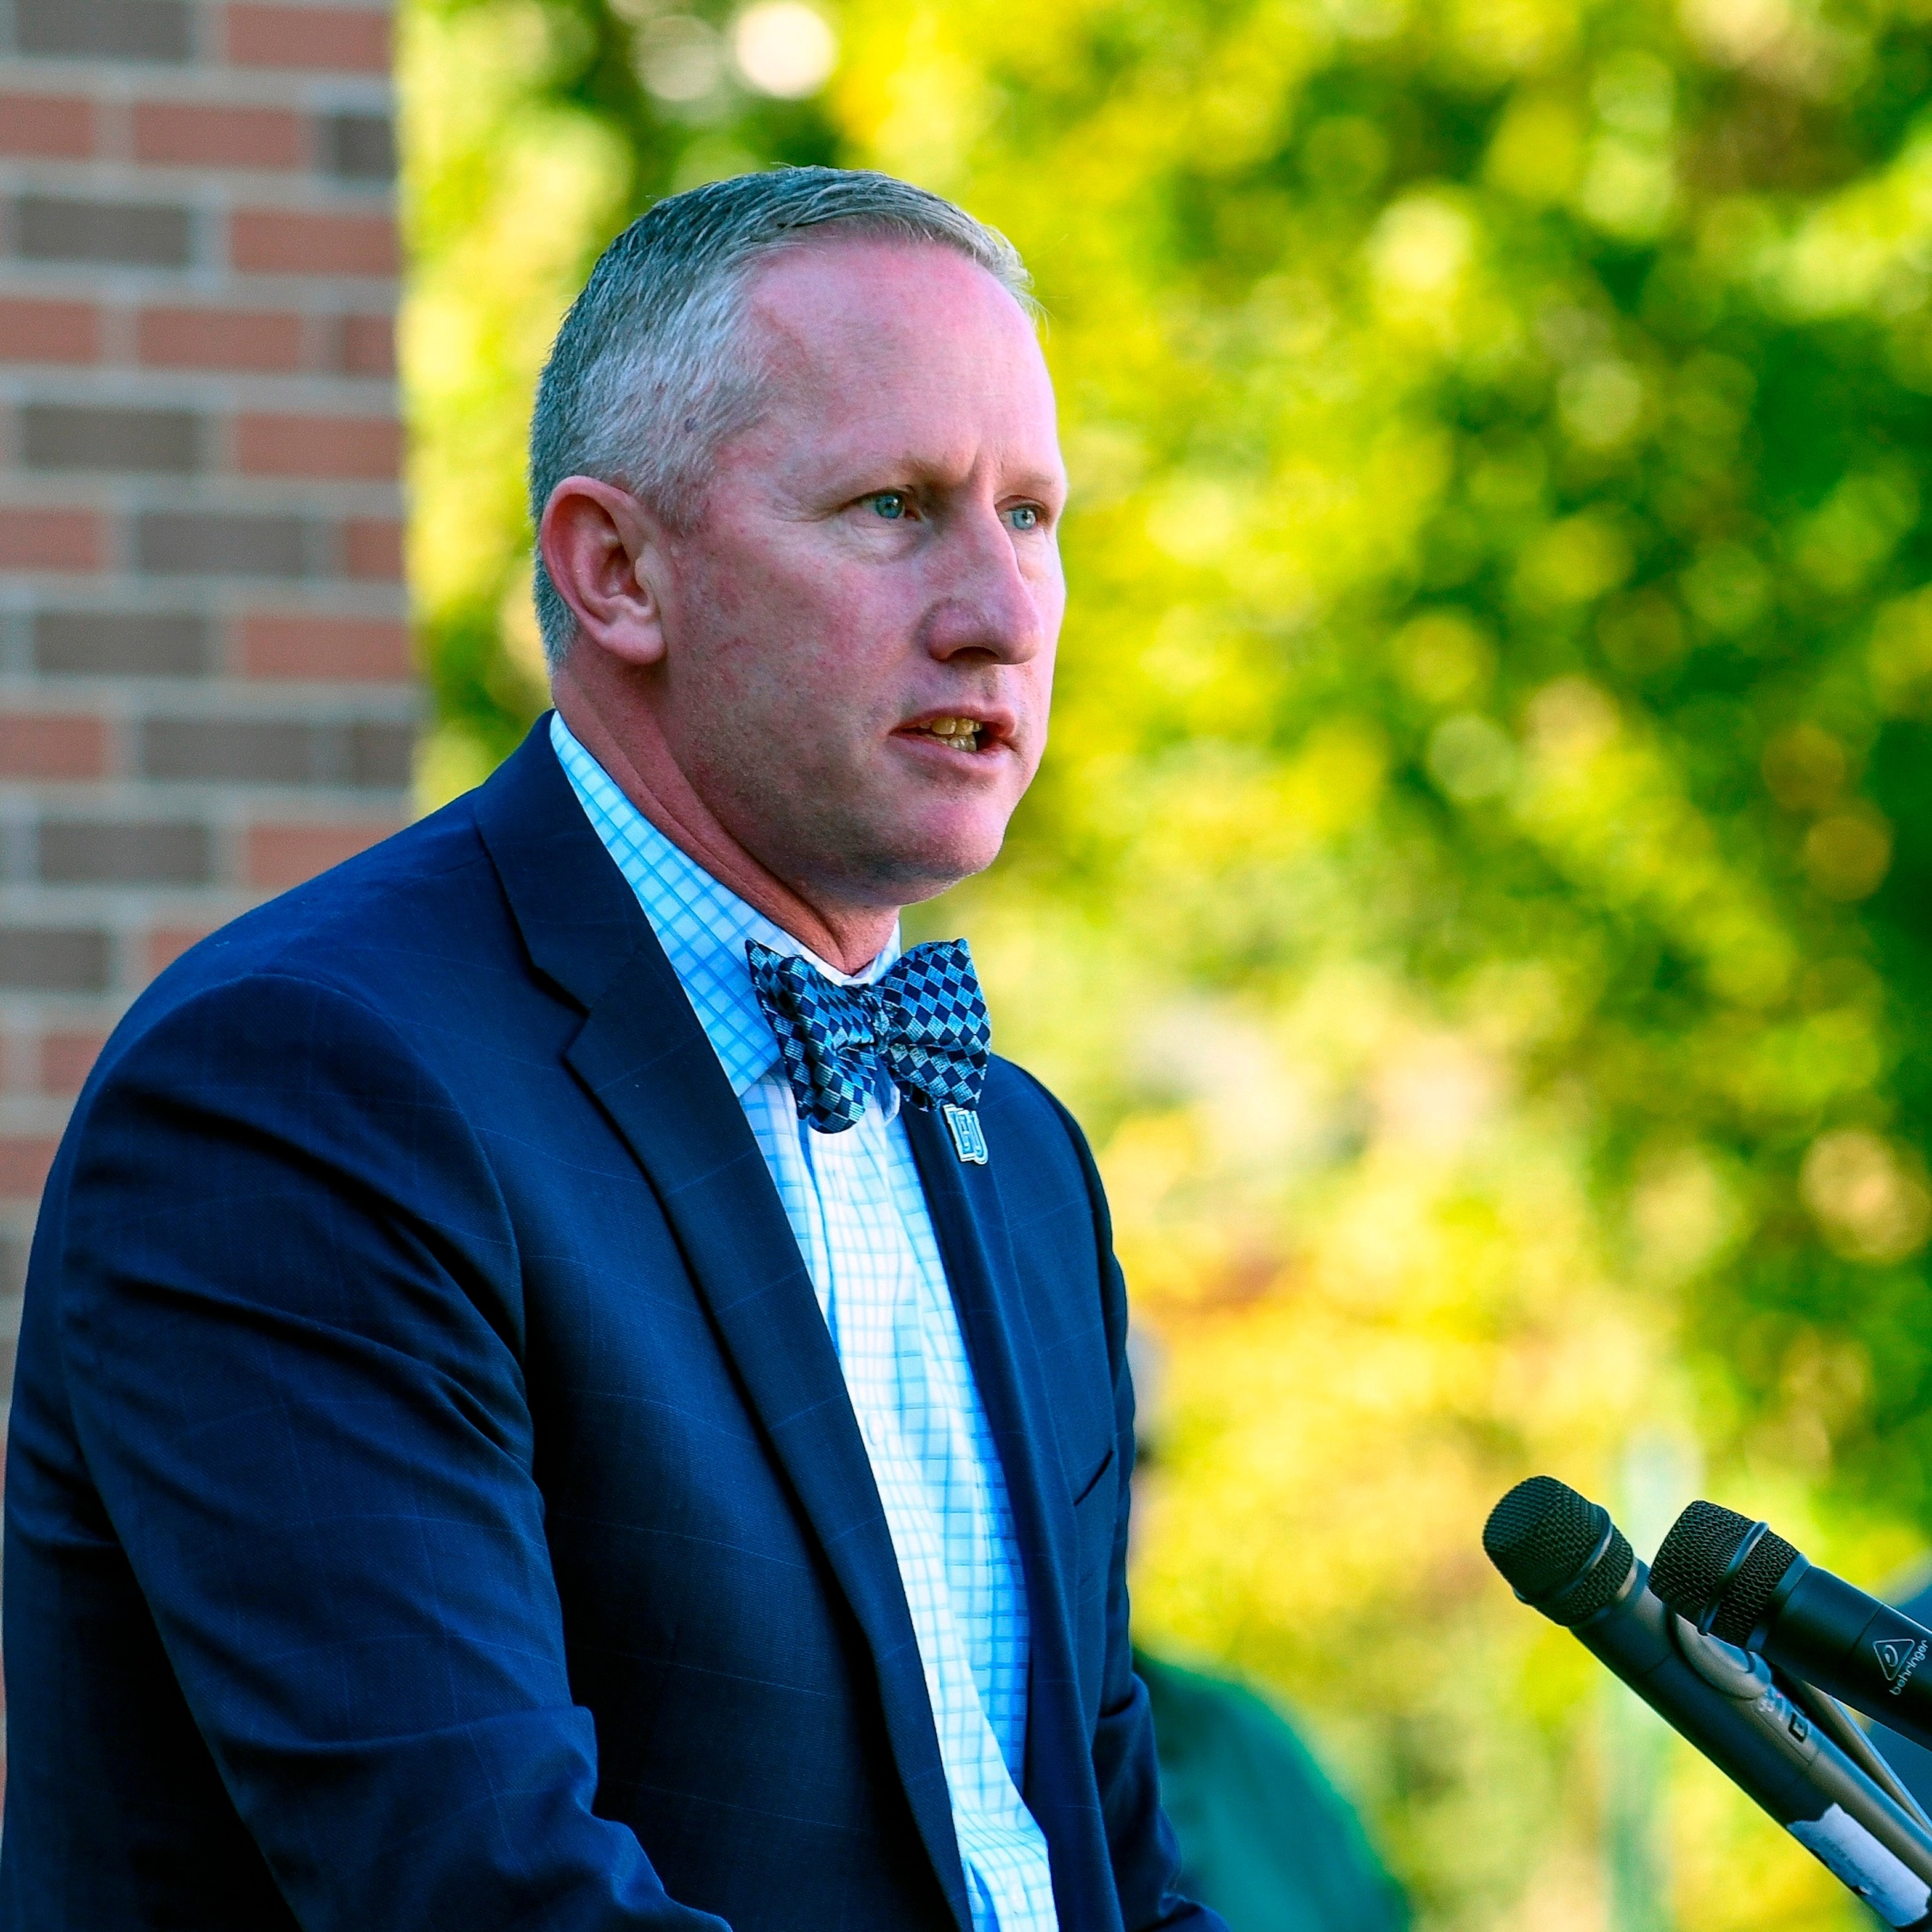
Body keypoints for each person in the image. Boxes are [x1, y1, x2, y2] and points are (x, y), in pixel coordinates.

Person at [1, 170, 1223, 1932]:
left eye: (1033, 517)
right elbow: (480, 1894)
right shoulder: (301, 1092)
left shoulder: (1018, 1159)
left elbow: (1101, 1873)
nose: (1000, 612)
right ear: (618, 570)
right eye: (895, 508)